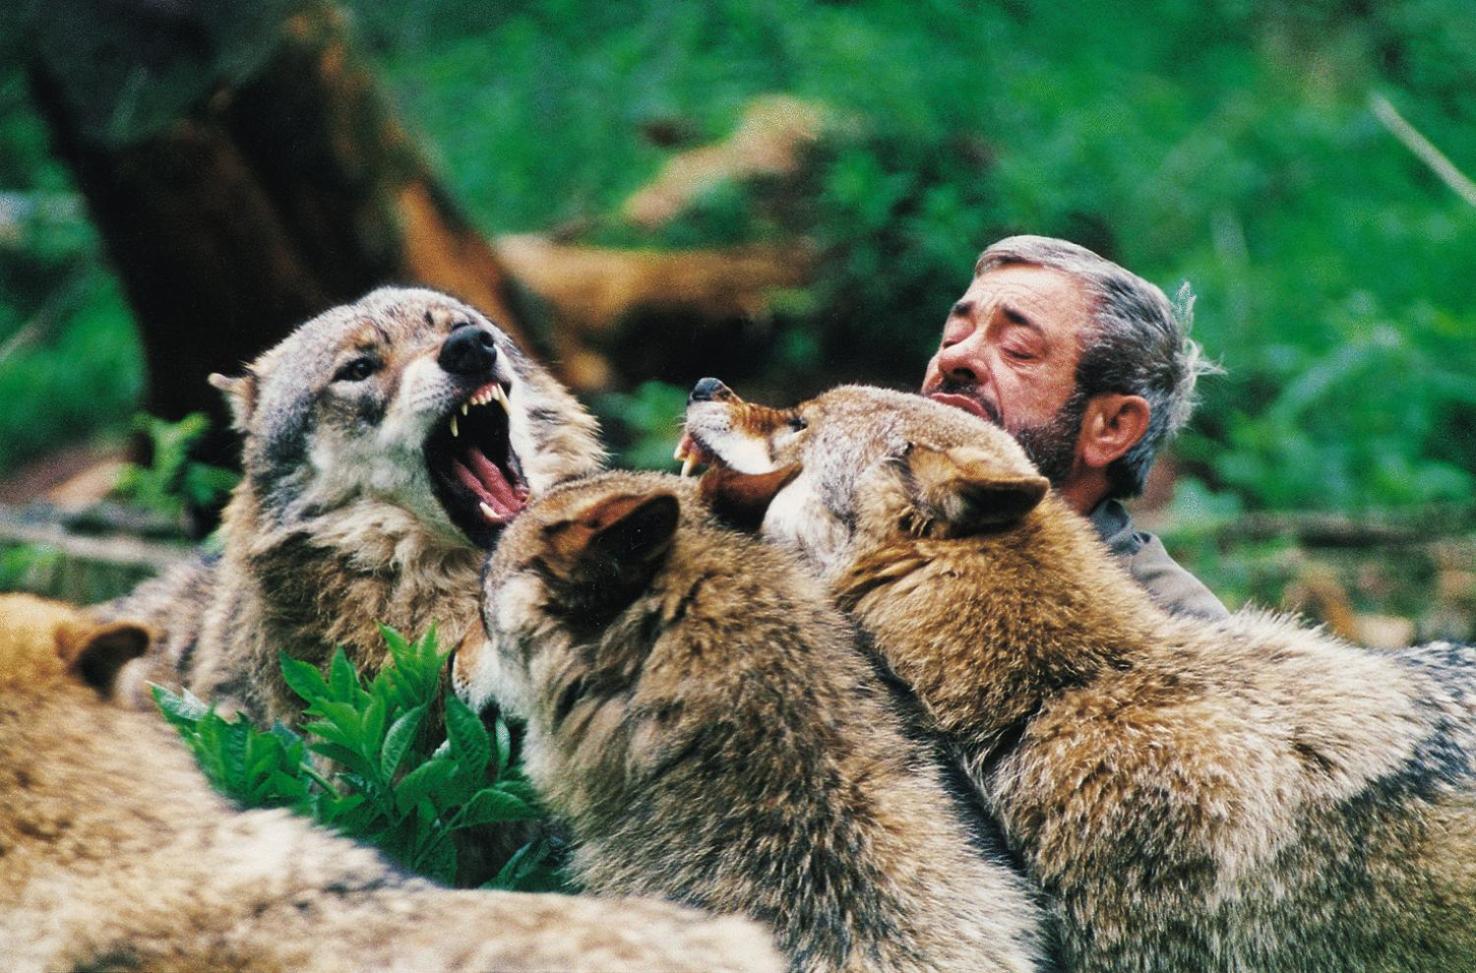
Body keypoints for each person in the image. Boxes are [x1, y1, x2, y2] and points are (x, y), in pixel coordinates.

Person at [921, 235, 1229, 620]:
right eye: (954, 336)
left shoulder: (1176, 634)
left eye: (1017, 348)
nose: (953, 357)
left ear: (1112, 427)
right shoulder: (852, 539)